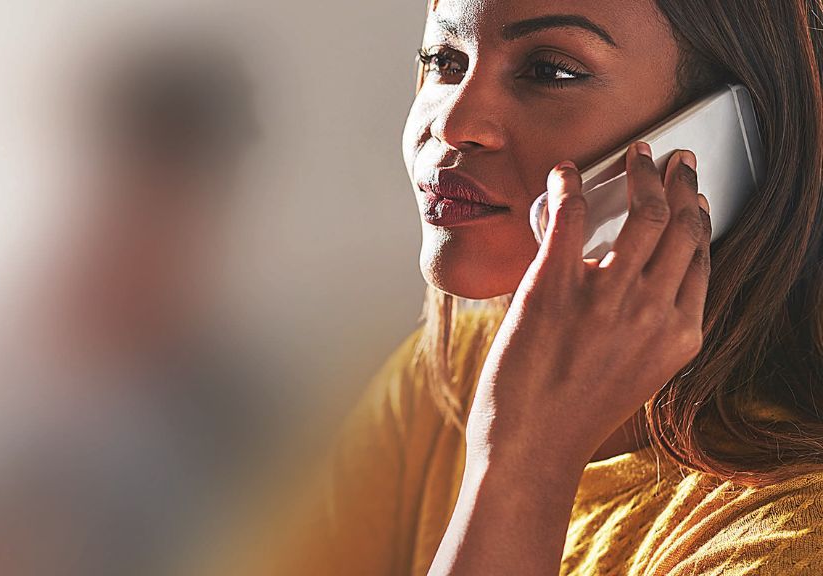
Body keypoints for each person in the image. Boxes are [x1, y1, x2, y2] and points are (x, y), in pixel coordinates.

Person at [226, 1, 823, 575]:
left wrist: (525, 463)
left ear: (723, 131)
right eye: (445, 60)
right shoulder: (445, 374)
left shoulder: (791, 540)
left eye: (549, 72)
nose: (453, 124)